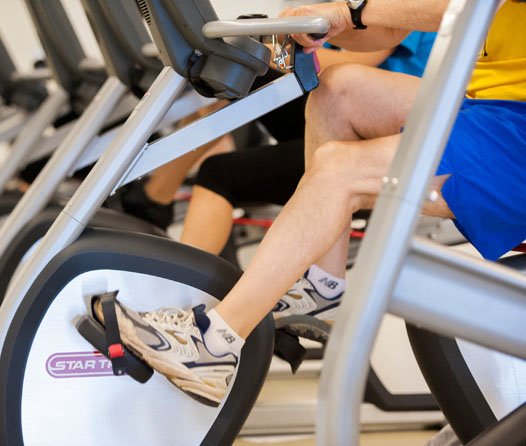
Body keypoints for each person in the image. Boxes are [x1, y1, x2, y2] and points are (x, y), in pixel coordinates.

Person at [95, 0, 526, 408]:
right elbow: (386, 27)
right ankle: (324, 286)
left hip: (517, 136)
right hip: (489, 109)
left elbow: (453, 8)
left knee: (339, 169)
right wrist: (315, 29)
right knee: (337, 90)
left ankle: (213, 346)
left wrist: (345, 12)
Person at [181, 31, 435, 256]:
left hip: (376, 144)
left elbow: (348, 66)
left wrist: (271, 52)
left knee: (219, 174)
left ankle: (178, 289)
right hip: (340, 114)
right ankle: (153, 198)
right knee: (240, 74)